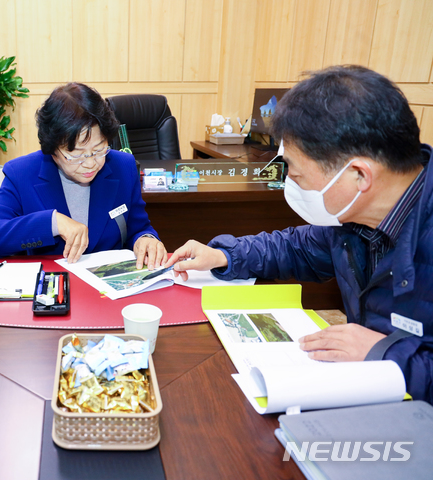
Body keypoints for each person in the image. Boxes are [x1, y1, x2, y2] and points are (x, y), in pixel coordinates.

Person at [165, 65, 433, 403]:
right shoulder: (356, 218)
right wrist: (224, 255)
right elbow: (297, 248)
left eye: (295, 170)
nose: (289, 181)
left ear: (359, 176)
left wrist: (384, 352)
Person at [0, 82, 166, 269]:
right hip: (51, 292)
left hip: (107, 291)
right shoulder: (22, 174)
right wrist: (52, 223)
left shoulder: (123, 166)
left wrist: (146, 239)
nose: (90, 163)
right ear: (52, 150)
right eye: (76, 154)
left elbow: (139, 227)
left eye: (98, 149)